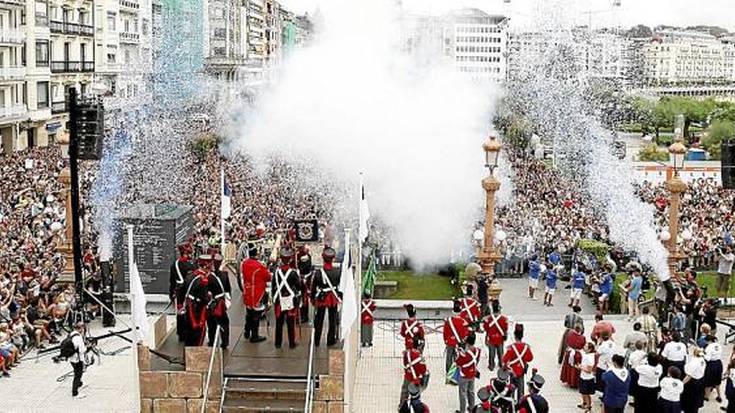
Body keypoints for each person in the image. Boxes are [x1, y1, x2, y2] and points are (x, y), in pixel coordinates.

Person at [271, 248, 303, 349]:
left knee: (279, 323)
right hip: (289, 299)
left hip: (279, 300)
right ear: (289, 260)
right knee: (290, 323)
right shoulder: (293, 273)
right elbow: (298, 286)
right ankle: (291, 343)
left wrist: (274, 299)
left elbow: (273, 286)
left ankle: (278, 343)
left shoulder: (276, 272)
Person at [241, 243, 271, 343]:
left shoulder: (244, 263)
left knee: (248, 313)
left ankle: (246, 331)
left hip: (247, 291)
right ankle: (254, 336)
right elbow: (267, 277)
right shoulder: (259, 266)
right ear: (256, 254)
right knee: (256, 316)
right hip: (257, 293)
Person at [312, 247, 341, 347]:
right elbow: (339, 285)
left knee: (319, 319)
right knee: (332, 320)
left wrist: (312, 298)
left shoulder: (318, 273)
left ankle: (317, 340)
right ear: (333, 258)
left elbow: (313, 287)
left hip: (321, 297)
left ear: (323, 258)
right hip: (332, 297)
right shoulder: (337, 272)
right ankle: (330, 340)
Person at [183, 255, 213, 346]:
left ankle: (188, 355)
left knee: (188, 334)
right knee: (198, 335)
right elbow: (204, 299)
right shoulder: (202, 280)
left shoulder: (190, 276)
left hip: (189, 308)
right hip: (198, 311)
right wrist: (209, 296)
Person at [170, 242, 195, 342]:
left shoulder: (174, 264)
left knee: (180, 311)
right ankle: (188, 331)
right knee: (189, 311)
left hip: (179, 291)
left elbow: (172, 281)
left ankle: (180, 333)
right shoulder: (191, 266)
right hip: (188, 291)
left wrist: (171, 293)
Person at [502, 324, 533, 402]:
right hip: (521, 372)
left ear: (514, 335)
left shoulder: (511, 348)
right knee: (521, 392)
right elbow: (530, 358)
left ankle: (511, 405)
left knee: (511, 391)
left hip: (512, 372)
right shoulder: (526, 347)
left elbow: (504, 359)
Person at [207, 253, 231, 348]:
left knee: (211, 323)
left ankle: (212, 341)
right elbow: (228, 290)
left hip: (211, 302)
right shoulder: (225, 275)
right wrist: (227, 302)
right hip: (221, 302)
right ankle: (225, 342)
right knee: (224, 323)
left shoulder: (208, 276)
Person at [456, 332, 481, 413]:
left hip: (464, 375)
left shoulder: (464, 354)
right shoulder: (478, 351)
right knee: (471, 391)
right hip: (472, 373)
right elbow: (476, 361)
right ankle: (472, 408)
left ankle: (462, 410)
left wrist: (458, 352)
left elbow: (458, 363)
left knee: (462, 393)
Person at [444, 299, 469, 374]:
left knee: (449, 357)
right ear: (460, 311)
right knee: (460, 357)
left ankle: (448, 372)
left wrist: (446, 340)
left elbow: (445, 333)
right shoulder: (464, 322)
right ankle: (460, 371)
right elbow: (465, 334)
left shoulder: (448, 321)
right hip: (460, 342)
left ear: (453, 311)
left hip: (450, 341)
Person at [400, 338, 428, 405]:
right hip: (417, 378)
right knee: (416, 393)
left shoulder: (406, 354)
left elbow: (405, 364)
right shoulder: (420, 358)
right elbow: (423, 370)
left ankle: (402, 405)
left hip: (408, 375)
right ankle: (415, 405)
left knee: (404, 390)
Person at [482, 300, 507, 371]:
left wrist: (486, 338)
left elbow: (486, 329)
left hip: (491, 338)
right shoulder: (503, 319)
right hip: (500, 338)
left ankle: (491, 365)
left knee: (491, 353)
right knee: (501, 352)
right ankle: (501, 363)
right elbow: (505, 329)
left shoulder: (488, 319)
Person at [681, 347, 706, 413]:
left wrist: (681, 383)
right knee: (697, 398)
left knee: (690, 400)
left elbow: (689, 376)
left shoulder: (694, 362)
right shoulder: (702, 359)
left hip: (693, 382)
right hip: (700, 380)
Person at [560, 324, 585, 389]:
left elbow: (567, 342)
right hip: (578, 355)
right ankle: (575, 383)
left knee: (569, 368)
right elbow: (583, 345)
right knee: (576, 369)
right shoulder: (582, 337)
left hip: (570, 353)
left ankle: (569, 380)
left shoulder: (569, 335)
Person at [704, 335, 723, 403]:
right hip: (719, 363)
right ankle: (719, 396)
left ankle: (706, 396)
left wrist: (703, 354)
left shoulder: (709, 347)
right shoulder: (718, 345)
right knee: (717, 381)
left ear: (709, 341)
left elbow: (707, 358)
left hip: (711, 365)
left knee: (708, 381)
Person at [577, 342, 596, 413]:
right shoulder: (586, 354)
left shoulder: (590, 358)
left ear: (590, 349)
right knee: (582, 392)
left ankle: (588, 406)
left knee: (587, 393)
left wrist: (580, 367)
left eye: (586, 346)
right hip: (583, 376)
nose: (584, 347)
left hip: (588, 378)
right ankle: (584, 403)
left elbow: (589, 370)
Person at [69, 321, 87, 397]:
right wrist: (87, 347)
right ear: (81, 328)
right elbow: (82, 350)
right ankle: (75, 393)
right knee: (78, 374)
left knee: (77, 372)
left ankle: (79, 383)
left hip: (71, 358)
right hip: (77, 359)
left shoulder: (71, 334)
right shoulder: (78, 337)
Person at [297, 245, 313, 323]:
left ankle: (304, 316)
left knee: (304, 298)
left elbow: (303, 268)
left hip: (304, 280)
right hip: (299, 278)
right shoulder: (299, 254)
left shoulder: (304, 256)